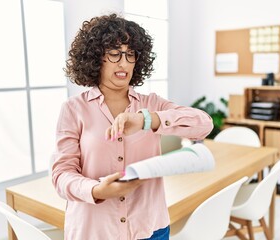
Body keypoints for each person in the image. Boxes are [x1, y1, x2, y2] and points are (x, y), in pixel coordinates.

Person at [52, 13, 213, 240]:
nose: (123, 62)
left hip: (149, 229)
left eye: (130, 54)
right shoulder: (73, 109)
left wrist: (147, 120)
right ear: (95, 57)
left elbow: (204, 124)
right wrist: (97, 190)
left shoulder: (152, 103)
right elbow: (61, 175)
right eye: (114, 53)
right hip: (95, 231)